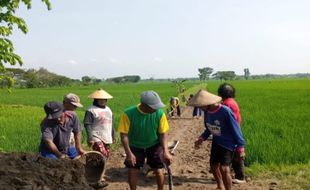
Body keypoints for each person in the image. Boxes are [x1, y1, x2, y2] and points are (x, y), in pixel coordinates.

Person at [188, 89, 245, 190]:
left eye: (201, 106)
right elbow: (209, 128)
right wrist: (201, 138)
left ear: (207, 103)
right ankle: (220, 185)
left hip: (228, 144)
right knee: (213, 166)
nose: (200, 109)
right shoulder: (207, 112)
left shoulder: (225, 111)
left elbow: (236, 129)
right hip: (217, 141)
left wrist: (240, 147)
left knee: (224, 168)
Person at [118, 90, 173, 190]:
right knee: (133, 169)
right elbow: (124, 134)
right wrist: (129, 153)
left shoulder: (160, 114)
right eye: (154, 107)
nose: (156, 109)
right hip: (135, 145)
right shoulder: (128, 114)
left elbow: (162, 134)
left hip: (154, 144)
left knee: (158, 169)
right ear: (144, 105)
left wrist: (166, 151)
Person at [83, 88, 115, 188]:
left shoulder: (108, 109)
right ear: (95, 99)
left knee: (105, 157)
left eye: (104, 99)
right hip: (96, 136)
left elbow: (112, 123)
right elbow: (87, 124)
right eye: (100, 99)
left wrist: (113, 135)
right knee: (101, 155)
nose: (102, 101)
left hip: (107, 136)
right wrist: (90, 137)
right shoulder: (91, 110)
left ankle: (98, 176)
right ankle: (96, 179)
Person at [218, 83, 245, 184]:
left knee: (236, 154)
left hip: (231, 132)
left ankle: (241, 177)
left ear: (221, 93)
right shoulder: (231, 102)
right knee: (234, 155)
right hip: (233, 130)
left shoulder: (227, 104)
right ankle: (235, 175)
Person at [63, 93, 84, 159]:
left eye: (76, 106)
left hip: (69, 143)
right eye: (74, 105)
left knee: (73, 158)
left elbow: (77, 131)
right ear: (65, 103)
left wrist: (79, 148)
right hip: (55, 144)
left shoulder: (73, 115)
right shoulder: (55, 112)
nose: (76, 107)